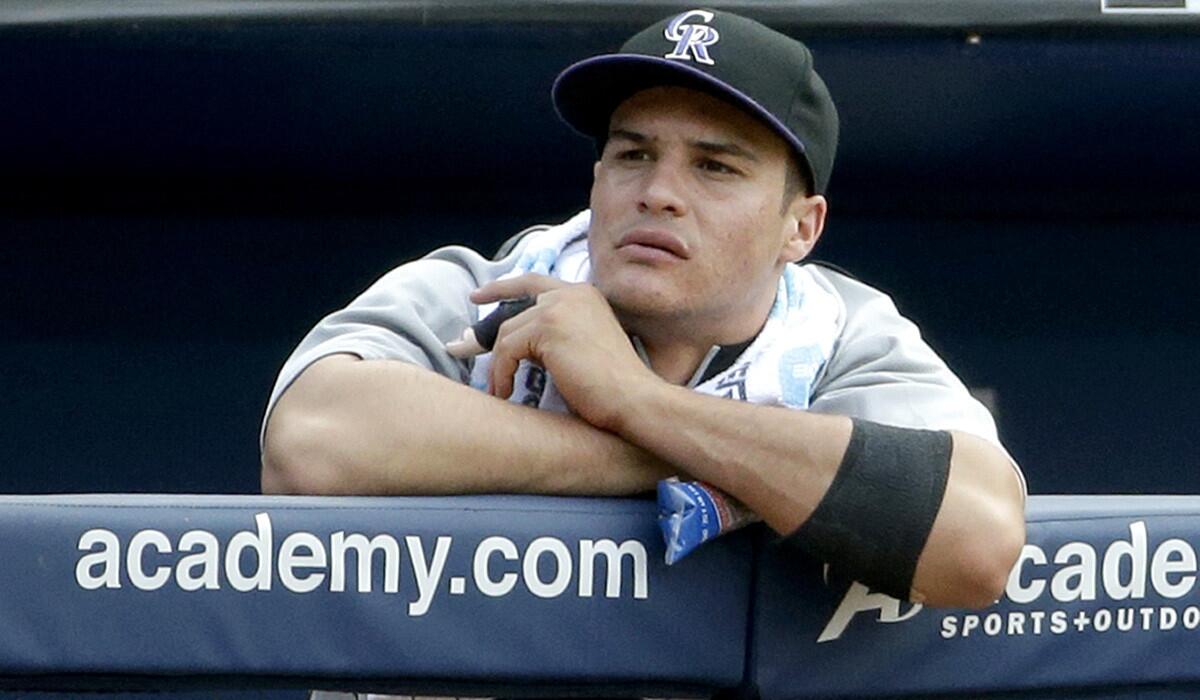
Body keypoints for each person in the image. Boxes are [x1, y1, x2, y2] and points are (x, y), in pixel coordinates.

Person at [261, 9, 1025, 611]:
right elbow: (310, 443)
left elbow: (977, 540)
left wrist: (633, 400)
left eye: (715, 166)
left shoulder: (842, 335)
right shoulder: (485, 287)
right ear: (596, 181)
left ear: (801, 227)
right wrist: (728, 469)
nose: (657, 191)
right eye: (632, 155)